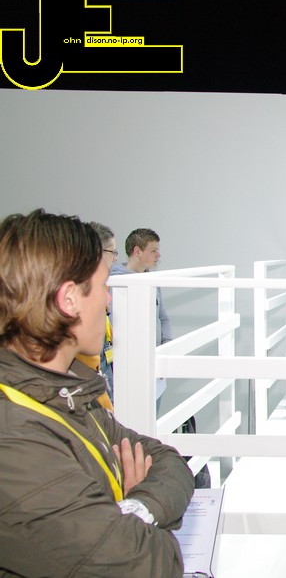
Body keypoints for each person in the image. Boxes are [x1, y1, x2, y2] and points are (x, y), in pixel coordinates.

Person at [0, 209, 195, 577]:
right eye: (104, 286)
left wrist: (134, 510)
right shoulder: (13, 440)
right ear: (69, 299)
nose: (108, 302)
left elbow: (169, 462)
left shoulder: (69, 394)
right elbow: (150, 565)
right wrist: (141, 513)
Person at [111, 227, 172, 402]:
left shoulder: (152, 281)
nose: (158, 255)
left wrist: (166, 348)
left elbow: (163, 317)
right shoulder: (114, 282)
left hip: (155, 363)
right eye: (153, 251)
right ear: (137, 251)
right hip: (128, 366)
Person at [79, 221, 117, 403]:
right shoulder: (82, 292)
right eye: (112, 252)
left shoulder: (102, 285)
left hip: (104, 368)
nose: (115, 258)